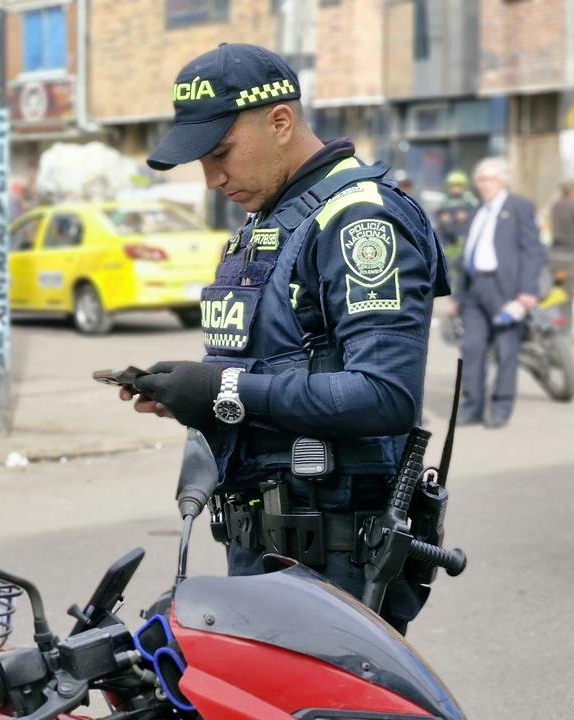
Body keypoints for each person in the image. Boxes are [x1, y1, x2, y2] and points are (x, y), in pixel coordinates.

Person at [125, 43, 450, 634]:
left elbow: (385, 394)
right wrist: (194, 391)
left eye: (221, 153)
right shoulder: (271, 218)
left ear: (280, 122)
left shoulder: (361, 220)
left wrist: (228, 390)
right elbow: (278, 361)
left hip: (335, 567)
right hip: (264, 550)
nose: (212, 179)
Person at [456, 157, 547, 428]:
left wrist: (527, 291)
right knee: (472, 348)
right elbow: (467, 253)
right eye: (479, 179)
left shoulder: (518, 207)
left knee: (507, 351)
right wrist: (458, 296)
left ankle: (501, 406)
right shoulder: (477, 210)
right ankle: (472, 405)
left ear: (503, 180)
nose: (483, 185)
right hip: (475, 288)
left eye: (489, 179)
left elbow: (533, 251)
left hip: (506, 288)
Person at [434, 170, 478, 281]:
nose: (455, 189)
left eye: (458, 186)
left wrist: (467, 216)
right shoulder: (445, 201)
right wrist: (442, 218)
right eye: (452, 186)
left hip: (463, 238)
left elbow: (477, 215)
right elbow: (438, 215)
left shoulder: (470, 200)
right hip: (447, 240)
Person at [550, 177, 574, 336]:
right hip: (569, 258)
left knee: (558, 292)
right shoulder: (573, 206)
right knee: (566, 295)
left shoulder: (556, 205)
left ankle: (554, 326)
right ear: (572, 190)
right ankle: (563, 332)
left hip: (556, 257)